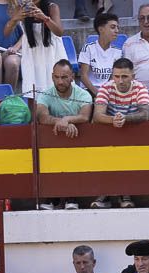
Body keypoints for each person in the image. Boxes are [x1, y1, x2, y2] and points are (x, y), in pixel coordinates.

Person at [90, 58, 148, 210]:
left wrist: (124, 118)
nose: (120, 81)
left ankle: (122, 194)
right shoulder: (106, 87)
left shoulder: (140, 88)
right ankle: (108, 193)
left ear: (133, 76)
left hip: (132, 133)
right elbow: (97, 115)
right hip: (109, 132)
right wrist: (113, 120)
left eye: (124, 76)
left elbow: (145, 114)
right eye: (116, 76)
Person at [35, 59, 91, 210]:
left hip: (77, 144)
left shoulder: (83, 94)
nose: (60, 81)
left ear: (72, 77)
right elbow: (42, 117)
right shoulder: (45, 94)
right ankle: (53, 197)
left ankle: (70, 196)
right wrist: (63, 123)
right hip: (53, 145)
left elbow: (85, 117)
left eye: (64, 77)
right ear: (52, 76)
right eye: (57, 77)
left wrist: (66, 119)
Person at [4, 0, 62, 102]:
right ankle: (34, 117)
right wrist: (14, 19)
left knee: (55, 90)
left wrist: (45, 18)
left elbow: (59, 32)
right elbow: (6, 33)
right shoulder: (21, 8)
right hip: (31, 55)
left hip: (51, 54)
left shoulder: (52, 7)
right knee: (32, 92)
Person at [78, 11, 121, 95]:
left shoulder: (118, 52)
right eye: (113, 27)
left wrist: (104, 93)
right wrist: (97, 93)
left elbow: (113, 78)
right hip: (88, 90)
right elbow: (83, 76)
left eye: (117, 27)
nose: (117, 31)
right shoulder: (88, 48)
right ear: (101, 29)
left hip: (108, 91)